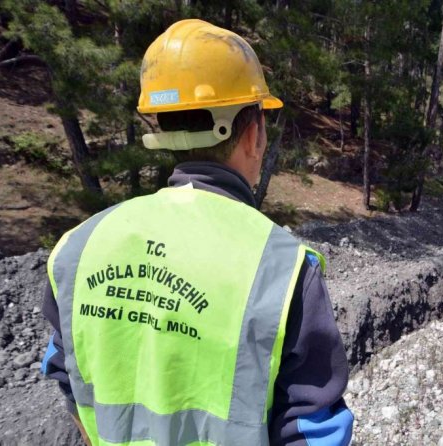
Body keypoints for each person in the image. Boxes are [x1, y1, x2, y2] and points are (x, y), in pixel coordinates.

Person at [41, 19, 353, 446]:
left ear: (162, 130)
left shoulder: (79, 247)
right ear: (254, 134)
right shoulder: (281, 268)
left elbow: (66, 373)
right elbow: (314, 431)